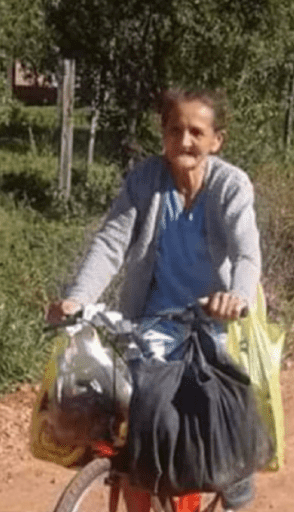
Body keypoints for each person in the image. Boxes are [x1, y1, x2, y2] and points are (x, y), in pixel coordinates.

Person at [46, 87, 262, 354]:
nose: (184, 142)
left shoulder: (231, 185)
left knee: (220, 389)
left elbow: (246, 253)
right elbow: (110, 244)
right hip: (154, 325)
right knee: (132, 389)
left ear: (216, 141)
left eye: (196, 132)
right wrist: (77, 299)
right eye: (175, 130)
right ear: (164, 134)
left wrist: (237, 298)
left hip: (216, 326)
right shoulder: (144, 179)